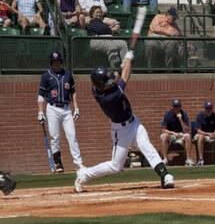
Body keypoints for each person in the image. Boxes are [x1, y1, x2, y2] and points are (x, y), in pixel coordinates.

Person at [74, 54, 175, 192]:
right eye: (106, 82)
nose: (110, 83)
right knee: (116, 166)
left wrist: (124, 66)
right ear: (100, 85)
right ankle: (84, 174)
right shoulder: (108, 97)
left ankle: (165, 175)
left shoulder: (100, 87)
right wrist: (128, 59)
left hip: (134, 123)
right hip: (121, 131)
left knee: (147, 147)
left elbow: (118, 76)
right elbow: (125, 76)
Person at [37, 51, 85, 173]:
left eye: (58, 61)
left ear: (61, 62)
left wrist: (76, 108)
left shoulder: (67, 75)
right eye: (54, 61)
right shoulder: (46, 76)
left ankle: (78, 164)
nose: (56, 63)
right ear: (51, 62)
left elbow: (73, 92)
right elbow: (41, 95)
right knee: (55, 137)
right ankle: (58, 163)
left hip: (66, 108)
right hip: (52, 108)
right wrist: (40, 112)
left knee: (72, 136)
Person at [160, 99, 194, 167]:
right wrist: (172, 133)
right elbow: (163, 129)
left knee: (188, 136)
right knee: (164, 136)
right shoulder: (168, 115)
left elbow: (186, 130)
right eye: (175, 107)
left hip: (181, 134)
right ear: (172, 107)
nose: (176, 108)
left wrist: (181, 119)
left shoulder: (184, 114)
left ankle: (188, 159)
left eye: (178, 106)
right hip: (171, 135)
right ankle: (165, 159)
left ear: (180, 107)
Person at [195, 101, 215, 166]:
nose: (208, 110)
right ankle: (201, 159)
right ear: (204, 109)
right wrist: (207, 134)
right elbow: (198, 130)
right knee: (201, 137)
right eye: (207, 108)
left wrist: (214, 134)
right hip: (203, 134)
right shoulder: (200, 116)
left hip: (212, 134)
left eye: (210, 108)